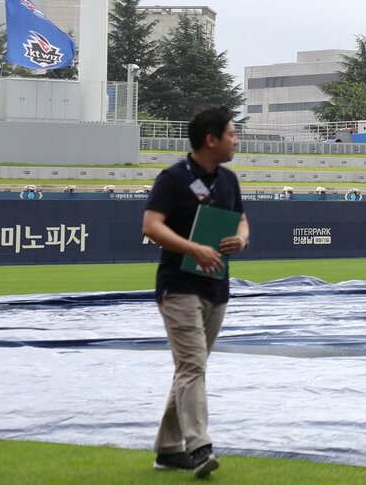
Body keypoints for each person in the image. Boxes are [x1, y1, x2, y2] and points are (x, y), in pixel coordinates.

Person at [142, 106, 249, 477]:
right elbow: (152, 225)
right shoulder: (172, 179)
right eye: (233, 135)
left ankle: (168, 450)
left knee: (190, 368)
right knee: (192, 365)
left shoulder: (229, 180)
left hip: (217, 286)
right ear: (211, 139)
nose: (237, 141)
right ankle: (200, 448)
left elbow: (241, 220)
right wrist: (192, 248)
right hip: (179, 286)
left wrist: (241, 239)